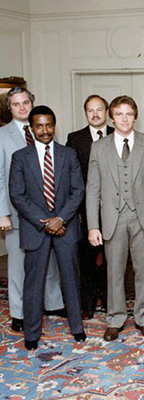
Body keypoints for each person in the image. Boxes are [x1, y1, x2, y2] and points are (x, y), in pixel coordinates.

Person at [86, 95, 144, 341]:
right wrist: (93, 226)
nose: (124, 118)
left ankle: (143, 318)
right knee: (115, 272)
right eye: (119, 114)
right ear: (112, 118)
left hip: (143, 217)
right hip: (112, 219)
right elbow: (93, 188)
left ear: (135, 116)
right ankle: (115, 319)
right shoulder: (99, 147)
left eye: (129, 114)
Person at [9, 105, 86, 350]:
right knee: (34, 283)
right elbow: (17, 195)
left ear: (54, 125)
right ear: (32, 128)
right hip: (36, 230)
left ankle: (77, 328)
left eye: (49, 125)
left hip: (66, 227)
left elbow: (78, 191)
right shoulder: (20, 157)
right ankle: (31, 334)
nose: (45, 131)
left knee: (71, 280)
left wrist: (60, 219)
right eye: (39, 126)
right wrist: (46, 222)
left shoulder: (68, 154)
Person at [0, 87, 65, 333]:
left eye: (25, 102)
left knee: (48, 261)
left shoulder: (44, 130)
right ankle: (19, 312)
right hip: (17, 214)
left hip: (48, 213)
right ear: (10, 108)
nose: (22, 107)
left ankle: (53, 303)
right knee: (18, 265)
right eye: (16, 104)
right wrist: (2, 212)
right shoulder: (2, 135)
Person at [66, 94, 114, 320]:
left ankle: (108, 297)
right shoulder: (75, 139)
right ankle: (87, 302)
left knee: (112, 257)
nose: (95, 114)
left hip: (115, 209)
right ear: (85, 113)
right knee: (86, 258)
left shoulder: (118, 135)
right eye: (90, 111)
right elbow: (70, 177)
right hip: (86, 210)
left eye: (99, 110)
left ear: (107, 112)